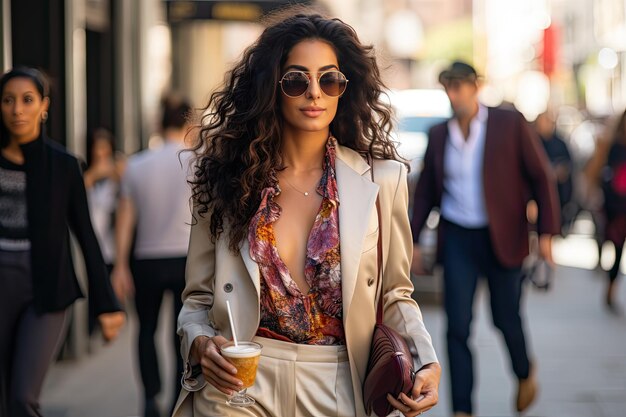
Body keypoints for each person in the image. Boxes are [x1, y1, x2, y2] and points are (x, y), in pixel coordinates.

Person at [172, 10, 441, 417]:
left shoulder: (382, 180)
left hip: (335, 382)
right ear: (271, 89)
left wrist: (426, 360)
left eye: (329, 80)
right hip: (239, 384)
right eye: (297, 80)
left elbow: (394, 293)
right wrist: (199, 342)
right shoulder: (226, 178)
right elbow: (197, 299)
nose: (314, 93)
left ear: (343, 89)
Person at [410, 61, 560, 417]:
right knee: (457, 326)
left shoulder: (508, 124)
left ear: (476, 87)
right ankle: (462, 409)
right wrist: (414, 240)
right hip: (459, 238)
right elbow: (426, 192)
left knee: (505, 317)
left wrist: (548, 236)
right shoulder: (439, 134)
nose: (454, 94)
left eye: (460, 86)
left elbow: (541, 177)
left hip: (503, 237)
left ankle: (525, 372)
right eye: (448, 87)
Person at [0, 66, 125, 417]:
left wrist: (107, 304)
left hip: (48, 289)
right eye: (8, 100)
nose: (17, 110)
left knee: (23, 398)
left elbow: (86, 236)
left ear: (44, 106)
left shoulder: (64, 166)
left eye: (27, 100)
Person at [111, 94, 193, 417]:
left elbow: (124, 219)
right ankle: (177, 396)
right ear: (188, 123)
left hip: (146, 259)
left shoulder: (136, 164)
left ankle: (150, 397)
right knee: (183, 332)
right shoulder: (200, 161)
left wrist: (119, 265)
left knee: (145, 329)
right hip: (186, 259)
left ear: (159, 122)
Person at [598, 109, 626, 311]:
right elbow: (606, 177)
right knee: (616, 251)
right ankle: (610, 289)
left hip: (617, 207)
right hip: (618, 209)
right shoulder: (615, 146)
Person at [534, 110, 575, 234]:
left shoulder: (560, 143)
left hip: (559, 192)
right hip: (539, 194)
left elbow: (568, 165)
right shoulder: (534, 142)